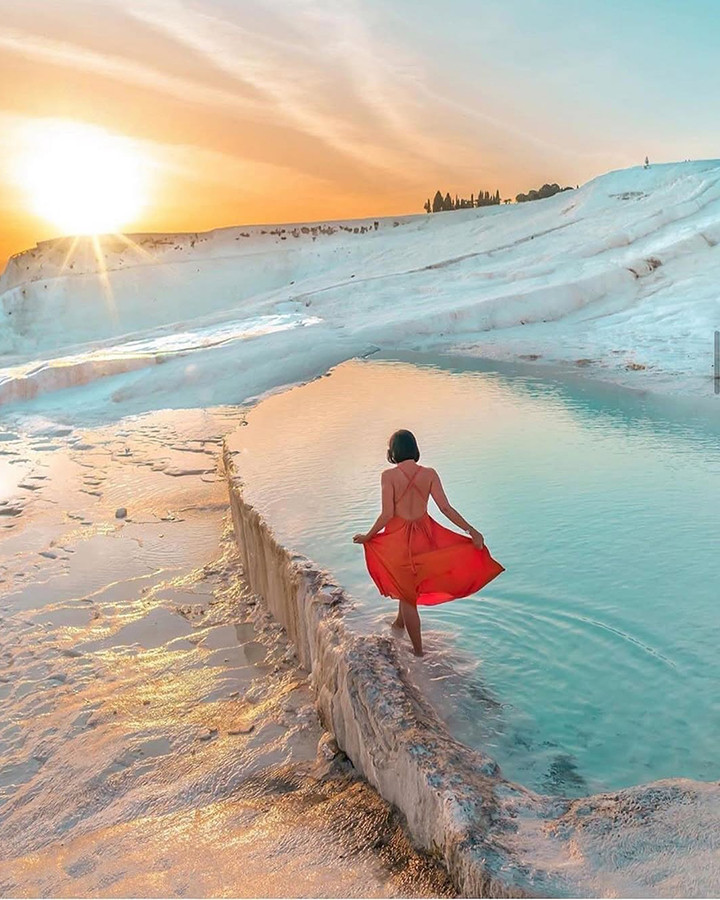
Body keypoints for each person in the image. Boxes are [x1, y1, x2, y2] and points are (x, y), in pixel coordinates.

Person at [353, 429, 505, 657]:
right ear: (414, 449)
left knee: (407, 596)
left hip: (398, 542)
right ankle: (398, 626)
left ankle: (418, 654)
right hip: (424, 539)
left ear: (393, 451)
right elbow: (446, 508)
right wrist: (471, 530)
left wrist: (368, 536)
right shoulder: (429, 474)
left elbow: (387, 514)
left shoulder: (388, 476)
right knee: (408, 588)